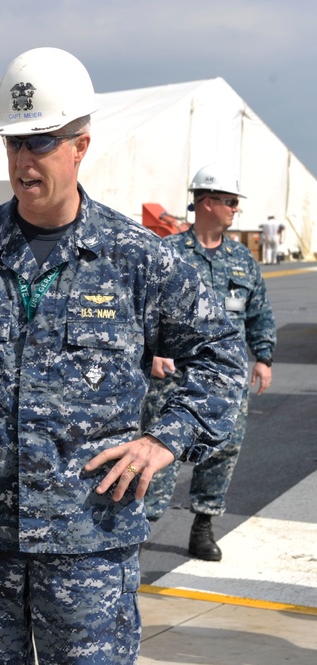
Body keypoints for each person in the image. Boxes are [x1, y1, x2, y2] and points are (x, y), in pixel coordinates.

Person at [0, 47, 246, 663]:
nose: (23, 160)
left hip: (89, 543)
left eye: (41, 142)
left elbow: (221, 355)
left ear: (80, 146)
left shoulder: (139, 258)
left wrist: (166, 439)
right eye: (13, 143)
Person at [141, 165, 276, 561]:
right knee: (158, 453)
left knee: (222, 451)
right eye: (230, 202)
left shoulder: (242, 259)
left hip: (226, 382)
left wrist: (263, 357)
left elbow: (259, 312)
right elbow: (142, 313)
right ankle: (139, 533)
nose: (236, 209)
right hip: (173, 379)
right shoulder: (167, 253)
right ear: (206, 202)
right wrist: (152, 353)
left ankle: (202, 527)